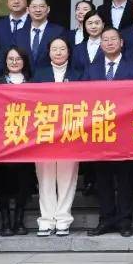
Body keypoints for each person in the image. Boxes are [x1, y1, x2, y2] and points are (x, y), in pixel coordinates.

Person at [84, 28, 133, 237]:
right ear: (100, 45)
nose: (109, 43)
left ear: (121, 42)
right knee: (103, 179)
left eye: (113, 39)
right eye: (105, 40)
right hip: (100, 132)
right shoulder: (92, 69)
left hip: (126, 131)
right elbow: (83, 98)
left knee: (125, 179)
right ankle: (105, 219)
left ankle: (125, 221)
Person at [32, 37, 82, 237]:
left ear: (69, 51)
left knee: (67, 177)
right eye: (54, 49)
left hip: (70, 131)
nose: (59, 52)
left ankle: (63, 219)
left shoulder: (78, 74)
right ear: (49, 52)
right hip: (44, 131)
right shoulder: (39, 74)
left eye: (62, 48)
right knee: (45, 177)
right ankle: (46, 220)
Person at [0, 47, 34, 237]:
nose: (14, 62)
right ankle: (5, 222)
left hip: (26, 142)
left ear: (24, 61)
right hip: (2, 142)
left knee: (24, 183)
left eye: (18, 59)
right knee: (3, 183)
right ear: (5, 62)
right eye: (10, 59)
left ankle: (19, 220)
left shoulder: (34, 84)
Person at [25, 0, 66, 71]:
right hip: (24, 77)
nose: (38, 10)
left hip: (49, 76)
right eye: (34, 7)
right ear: (27, 10)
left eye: (42, 6)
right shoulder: (19, 33)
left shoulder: (58, 31)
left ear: (48, 9)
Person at [72, 10, 105, 74]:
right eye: (90, 23)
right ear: (85, 26)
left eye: (97, 23)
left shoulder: (109, 46)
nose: (93, 26)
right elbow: (74, 71)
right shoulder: (77, 48)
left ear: (103, 25)